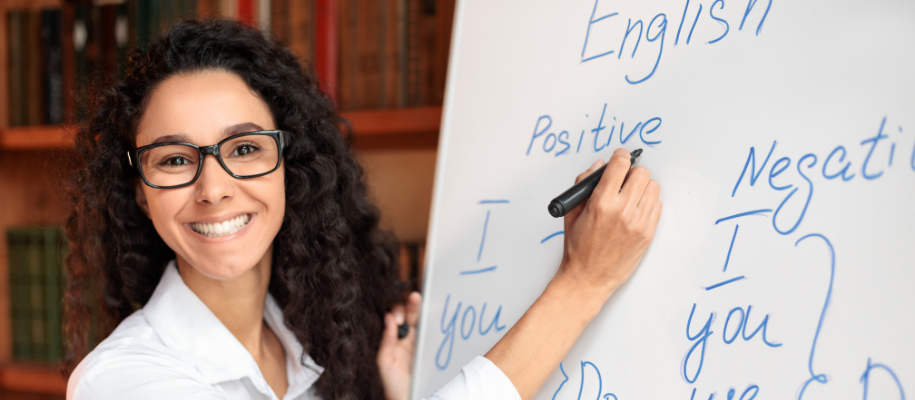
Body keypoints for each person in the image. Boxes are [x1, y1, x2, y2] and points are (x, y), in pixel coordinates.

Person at [63, 20, 661, 400]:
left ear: (288, 168)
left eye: (245, 149)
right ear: (139, 189)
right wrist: (584, 283)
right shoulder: (120, 381)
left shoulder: (306, 346)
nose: (213, 188)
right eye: (173, 160)